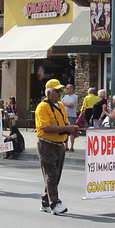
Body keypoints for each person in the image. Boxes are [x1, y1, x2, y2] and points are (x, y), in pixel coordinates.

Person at [35, 79, 79, 215]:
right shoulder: (42, 107)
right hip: (46, 144)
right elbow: (46, 127)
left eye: (61, 90)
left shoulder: (60, 106)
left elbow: (65, 124)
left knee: (55, 176)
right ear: (49, 92)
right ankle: (55, 203)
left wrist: (71, 130)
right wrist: (68, 128)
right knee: (51, 175)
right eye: (57, 91)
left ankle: (45, 202)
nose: (60, 93)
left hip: (59, 145)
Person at [61, 84, 79, 151]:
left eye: (68, 88)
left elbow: (71, 105)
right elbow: (60, 103)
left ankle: (72, 146)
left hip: (72, 116)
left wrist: (64, 103)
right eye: (66, 88)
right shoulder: (65, 96)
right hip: (65, 116)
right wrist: (65, 103)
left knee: (72, 131)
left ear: (72, 89)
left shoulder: (74, 97)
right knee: (65, 131)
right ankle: (66, 146)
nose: (67, 90)